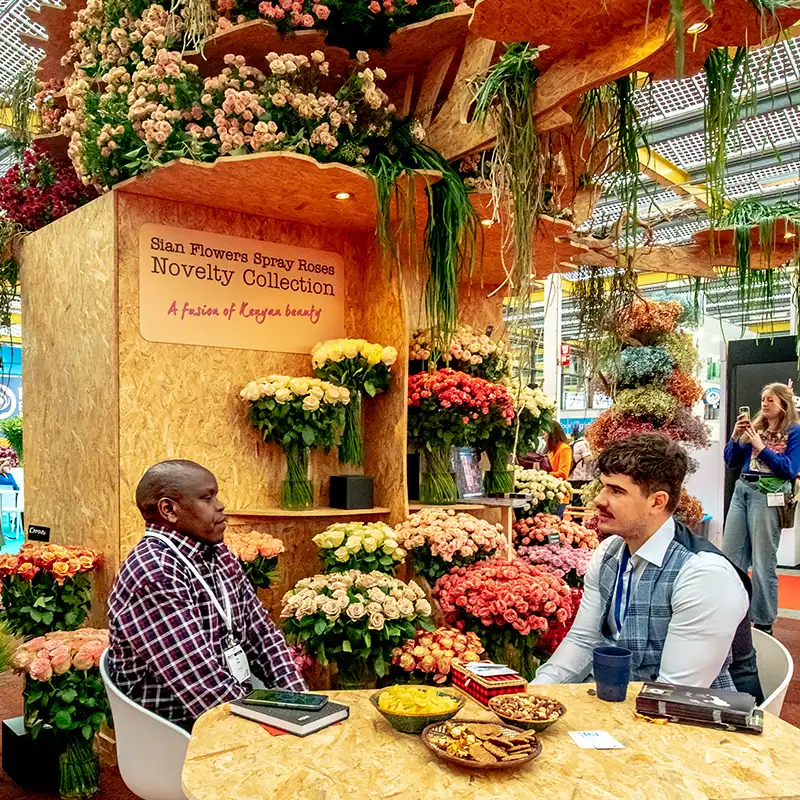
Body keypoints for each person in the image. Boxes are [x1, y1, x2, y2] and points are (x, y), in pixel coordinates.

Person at [533, 434, 761, 701]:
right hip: (618, 704)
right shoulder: (609, 553)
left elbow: (675, 692)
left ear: (657, 502)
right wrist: (535, 692)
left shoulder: (704, 575)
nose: (599, 500)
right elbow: (584, 641)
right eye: (603, 486)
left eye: (616, 491)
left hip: (697, 724)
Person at [107, 460, 306, 732]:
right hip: (177, 730)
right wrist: (272, 733)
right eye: (207, 498)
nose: (221, 505)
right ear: (169, 510)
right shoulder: (154, 571)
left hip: (227, 708)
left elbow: (263, 637)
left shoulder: (218, 554)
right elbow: (202, 686)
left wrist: (302, 705)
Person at [723, 382, 800, 636]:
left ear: (783, 404)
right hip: (742, 490)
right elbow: (731, 461)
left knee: (763, 560)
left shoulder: (794, 432)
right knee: (731, 557)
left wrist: (762, 448)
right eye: (763, 398)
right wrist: (735, 436)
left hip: (768, 496)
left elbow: (789, 469)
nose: (764, 403)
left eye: (770, 399)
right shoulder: (755, 427)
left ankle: (764, 622)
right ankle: (733, 614)